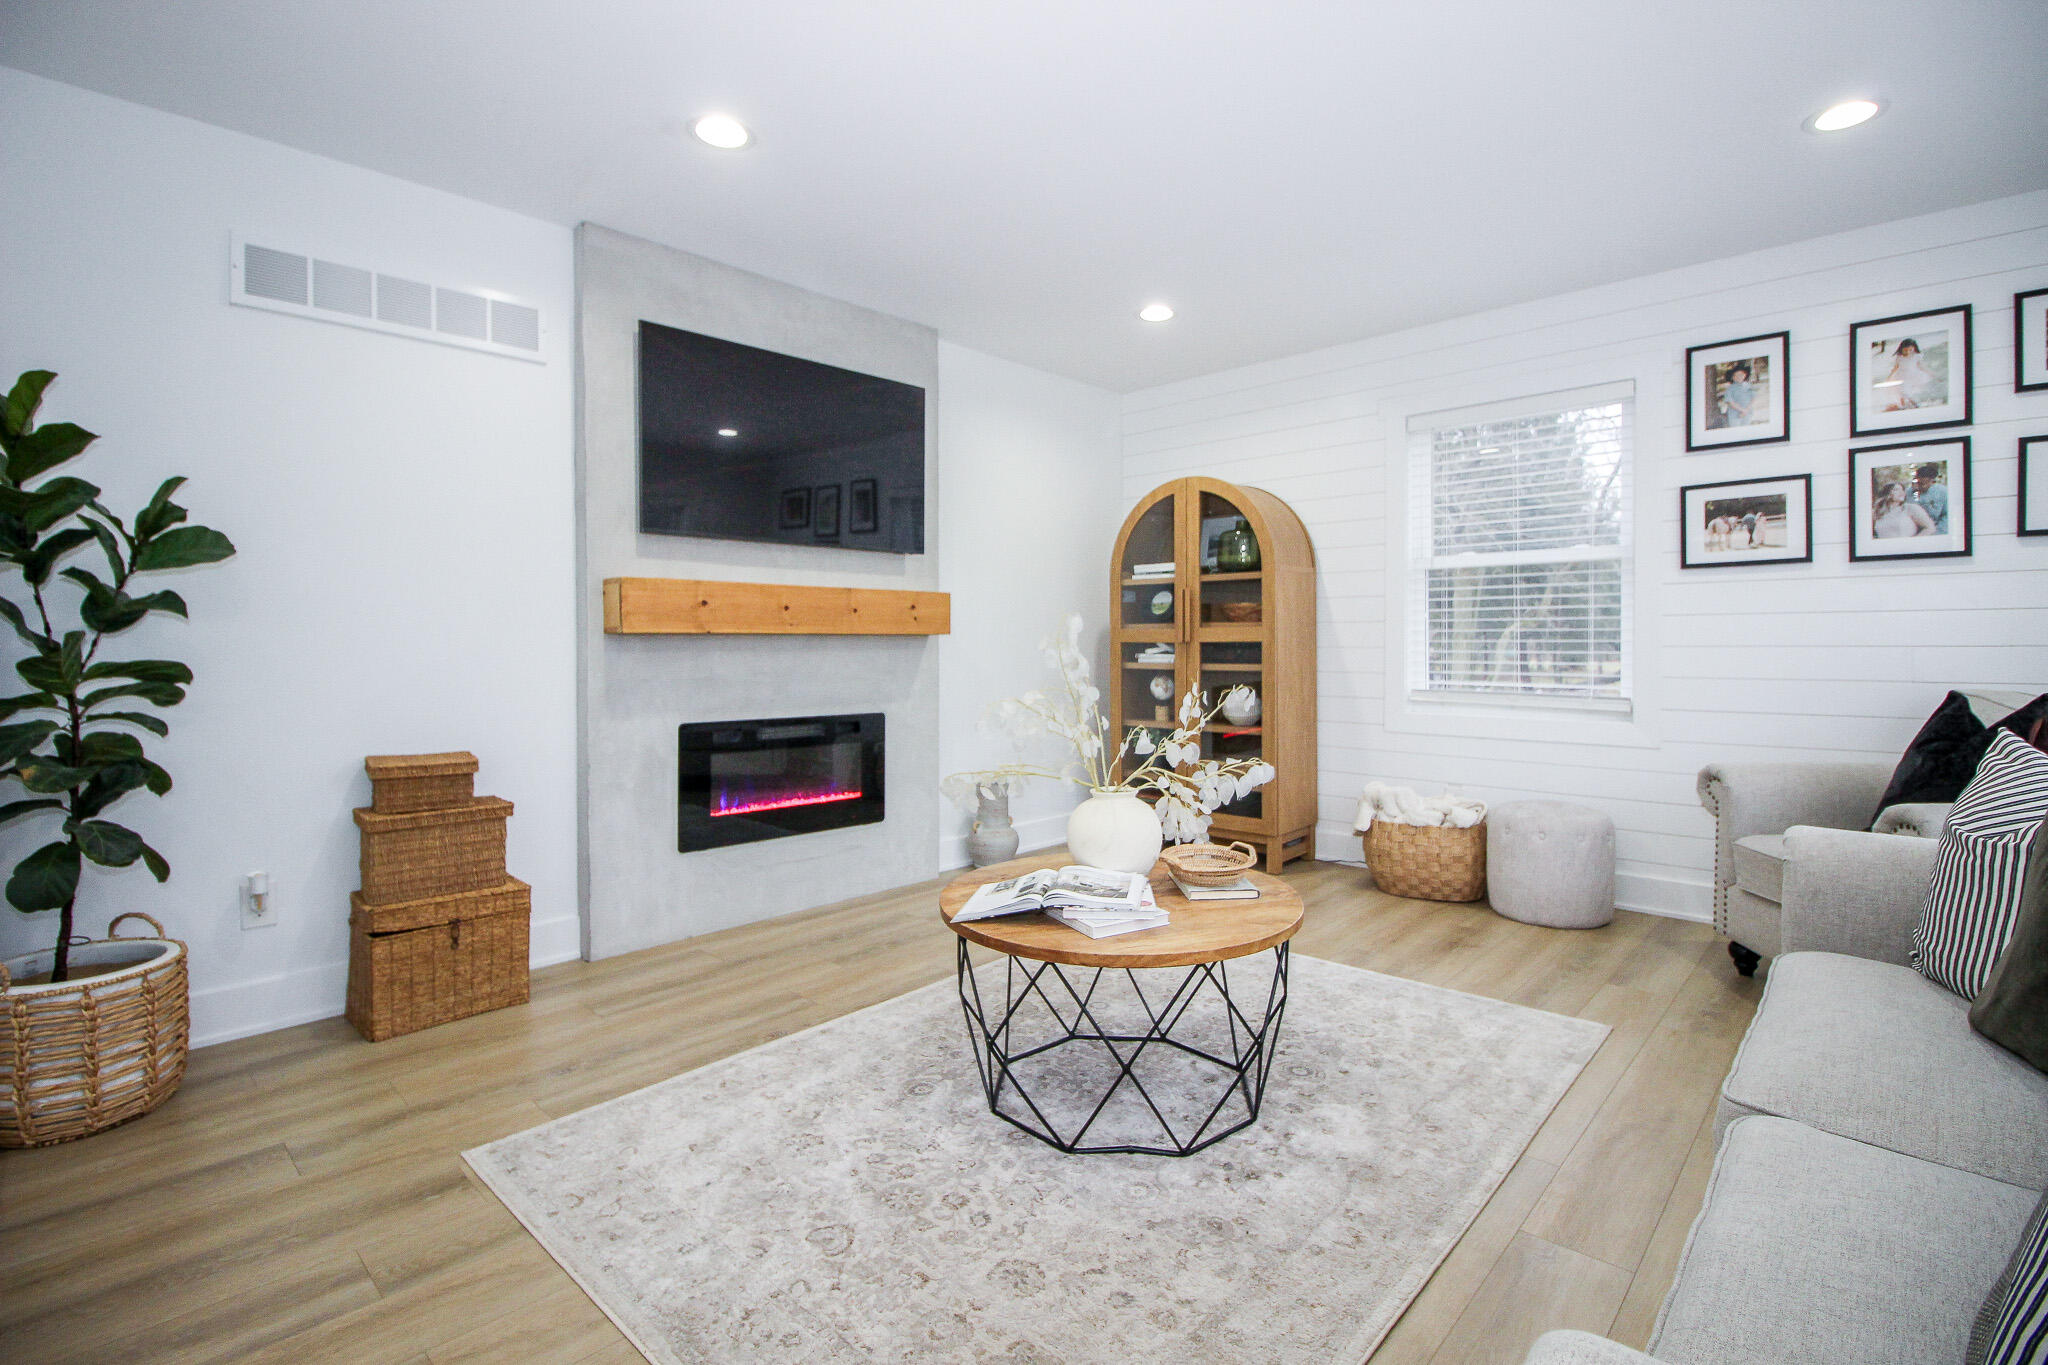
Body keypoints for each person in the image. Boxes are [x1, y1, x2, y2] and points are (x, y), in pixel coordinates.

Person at [1876, 338, 1936, 411]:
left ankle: (1914, 404)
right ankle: (1903, 405)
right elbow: (1896, 367)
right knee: (1901, 392)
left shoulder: (1916, 356)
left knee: (1906, 392)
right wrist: (1889, 377)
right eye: (1905, 350)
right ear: (1901, 349)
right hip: (1901, 376)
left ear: (1914, 348)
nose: (1908, 352)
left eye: (1910, 350)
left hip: (1912, 376)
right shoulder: (1899, 357)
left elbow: (1920, 366)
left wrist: (1929, 373)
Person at [1910, 463, 1949, 535]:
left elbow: (1947, 515)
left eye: (1923, 484)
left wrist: (1937, 533)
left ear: (1932, 482)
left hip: (1937, 531)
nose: (1918, 486)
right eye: (1917, 483)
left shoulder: (1942, 492)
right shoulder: (1908, 492)